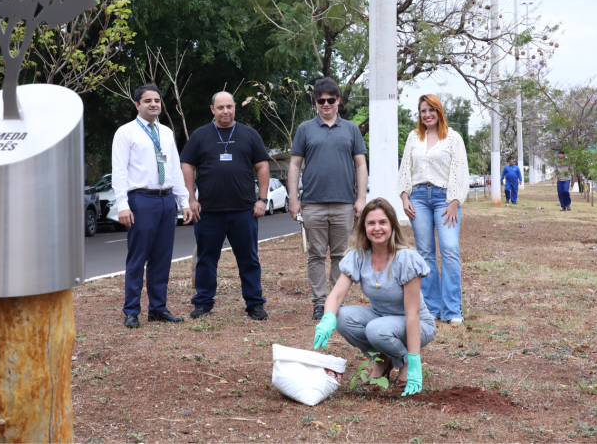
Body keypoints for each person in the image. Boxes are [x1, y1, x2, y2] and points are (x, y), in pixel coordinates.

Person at [313, 198, 435, 396]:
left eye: (382, 222)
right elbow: (336, 296)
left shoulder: (406, 258)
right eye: (371, 223)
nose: (377, 228)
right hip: (380, 319)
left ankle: (404, 362)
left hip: (417, 324)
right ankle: (383, 359)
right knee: (340, 317)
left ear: (392, 225)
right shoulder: (358, 256)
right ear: (364, 227)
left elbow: (412, 315)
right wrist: (327, 319)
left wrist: (414, 360)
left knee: (376, 329)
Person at [181, 91, 270, 321]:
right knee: (206, 259)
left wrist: (262, 199)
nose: (225, 111)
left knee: (249, 259)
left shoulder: (249, 134)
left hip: (244, 210)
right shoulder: (200, 135)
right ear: (213, 109)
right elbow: (187, 165)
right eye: (220, 107)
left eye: (229, 106)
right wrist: (191, 198)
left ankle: (255, 304)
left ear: (235, 107)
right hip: (208, 211)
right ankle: (203, 303)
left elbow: (262, 166)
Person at [112, 83, 192, 329]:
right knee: (138, 257)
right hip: (141, 200)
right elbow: (119, 171)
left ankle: (158, 308)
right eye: (148, 101)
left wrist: (184, 201)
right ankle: (131, 311)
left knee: (162, 257)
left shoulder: (166, 132)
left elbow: (174, 169)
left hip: (166, 200)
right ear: (137, 104)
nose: (153, 104)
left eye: (157, 100)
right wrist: (123, 205)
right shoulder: (126, 132)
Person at [287, 78, 368, 321]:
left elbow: (360, 164)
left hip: (344, 203)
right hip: (313, 203)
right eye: (321, 100)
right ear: (315, 101)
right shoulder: (305, 129)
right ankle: (319, 302)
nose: (326, 104)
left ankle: (336, 302)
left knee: (341, 256)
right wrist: (293, 198)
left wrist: (361, 198)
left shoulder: (351, 129)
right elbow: (294, 165)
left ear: (338, 100)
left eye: (330, 100)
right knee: (316, 254)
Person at [398, 94, 469, 326]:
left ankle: (452, 309)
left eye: (431, 110)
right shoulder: (413, 137)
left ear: (439, 112)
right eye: (423, 111)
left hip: (445, 199)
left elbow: (460, 170)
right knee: (425, 252)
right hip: (418, 198)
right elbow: (405, 168)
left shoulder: (453, 138)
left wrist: (454, 201)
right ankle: (433, 307)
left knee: (449, 250)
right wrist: (404, 197)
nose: (427, 114)